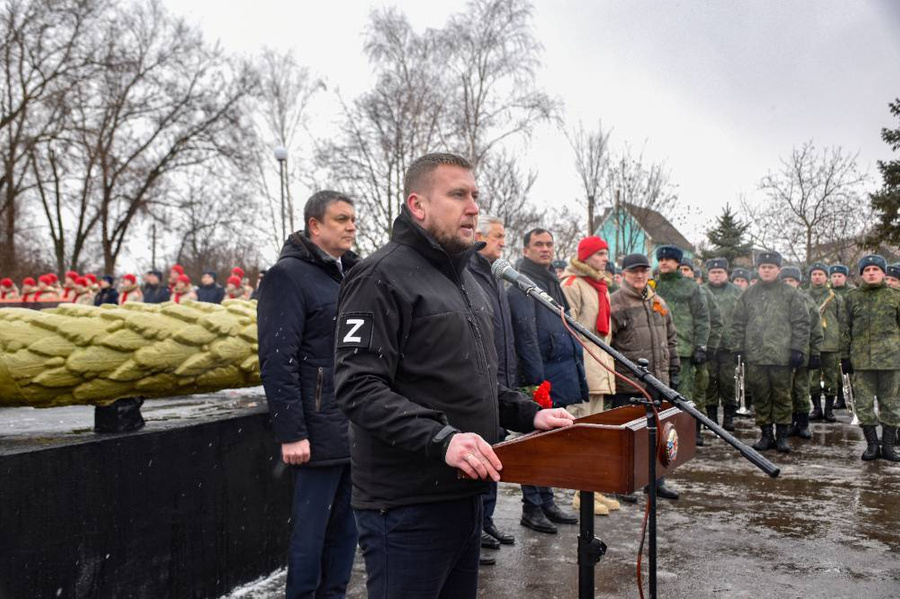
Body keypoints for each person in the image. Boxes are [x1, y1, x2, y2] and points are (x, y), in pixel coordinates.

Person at [334, 153, 575, 598]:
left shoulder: (466, 280)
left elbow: (475, 381)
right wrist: (442, 438)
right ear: (418, 206)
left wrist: (530, 414)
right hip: (407, 506)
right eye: (458, 195)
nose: (473, 208)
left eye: (475, 196)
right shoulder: (378, 277)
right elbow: (358, 388)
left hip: (466, 494)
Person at [258, 190, 361, 598]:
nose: (351, 225)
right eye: (341, 219)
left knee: (345, 534)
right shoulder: (286, 276)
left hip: (352, 426)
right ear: (314, 225)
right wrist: (291, 432)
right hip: (314, 433)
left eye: (353, 218)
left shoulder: (351, 274)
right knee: (310, 537)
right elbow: (276, 359)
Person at [508, 227, 586, 533]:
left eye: (549, 244)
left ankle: (548, 500)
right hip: (540, 378)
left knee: (552, 443)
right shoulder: (520, 283)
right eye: (538, 244)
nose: (545, 249)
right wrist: (536, 383)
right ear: (526, 249)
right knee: (535, 444)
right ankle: (532, 506)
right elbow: (526, 336)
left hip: (559, 371)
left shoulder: (551, 280)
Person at [607, 253, 680, 500]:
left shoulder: (658, 302)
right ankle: (624, 485)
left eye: (643, 271)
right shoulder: (615, 302)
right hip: (629, 385)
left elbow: (671, 338)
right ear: (624, 274)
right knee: (628, 440)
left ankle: (656, 482)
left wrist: (674, 371)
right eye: (634, 271)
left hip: (659, 382)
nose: (639, 275)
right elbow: (606, 343)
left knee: (660, 435)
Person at [467, 214, 518, 564]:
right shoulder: (468, 273)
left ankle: (488, 520)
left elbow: (505, 333)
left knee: (494, 453)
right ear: (480, 238)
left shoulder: (495, 276)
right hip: (480, 382)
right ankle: (476, 527)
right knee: (480, 458)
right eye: (497, 237)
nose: (502, 242)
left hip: (501, 378)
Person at [560, 236, 621, 515]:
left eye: (605, 253)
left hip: (600, 368)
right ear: (585, 257)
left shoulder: (601, 287)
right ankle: (579, 492)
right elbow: (567, 330)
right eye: (598, 254)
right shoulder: (572, 286)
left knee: (595, 433)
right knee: (583, 432)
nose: (604, 258)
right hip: (583, 370)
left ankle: (592, 488)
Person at [731, 252, 810, 453]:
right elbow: (738, 322)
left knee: (782, 396)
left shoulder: (791, 294)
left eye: (771, 267)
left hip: (782, 356)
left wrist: (797, 349)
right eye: (763, 267)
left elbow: (801, 323)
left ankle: (782, 436)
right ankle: (766, 435)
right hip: (755, 355)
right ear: (758, 269)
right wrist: (738, 347)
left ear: (779, 270)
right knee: (760, 396)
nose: (766, 270)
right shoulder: (748, 294)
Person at [840, 255, 900, 462]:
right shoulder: (852, 298)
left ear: (884, 273)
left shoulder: (896, 297)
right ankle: (873, 445)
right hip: (862, 362)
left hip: (891, 361)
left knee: (891, 405)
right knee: (864, 405)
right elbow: (845, 329)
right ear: (861, 274)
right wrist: (844, 357)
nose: (871, 273)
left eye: (876, 269)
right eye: (867, 270)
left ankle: (889, 446)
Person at [654, 245, 710, 445]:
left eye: (669, 259)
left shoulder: (691, 287)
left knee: (685, 393)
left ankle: (691, 432)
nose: (664, 262)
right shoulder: (653, 286)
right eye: (661, 259)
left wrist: (701, 346)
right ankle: (664, 433)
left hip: (684, 349)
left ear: (678, 263)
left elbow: (702, 318)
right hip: (658, 349)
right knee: (659, 395)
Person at [779, 266, 823, 440]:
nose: (789, 284)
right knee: (785, 391)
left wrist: (815, 353)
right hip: (781, 355)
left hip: (802, 355)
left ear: (798, 282)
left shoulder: (807, 301)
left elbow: (816, 329)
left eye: (792, 280)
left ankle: (803, 424)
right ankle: (789, 422)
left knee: (801, 389)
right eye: (785, 281)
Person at [679, 257, 722, 432]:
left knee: (698, 392)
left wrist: (707, 348)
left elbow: (715, 322)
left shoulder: (703, 294)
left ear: (693, 273)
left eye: (686, 270)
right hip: (675, 353)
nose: (683, 273)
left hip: (697, 353)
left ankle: (695, 431)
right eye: (680, 269)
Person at [703, 258, 743, 431]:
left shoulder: (737, 292)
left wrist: (741, 343)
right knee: (709, 381)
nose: (717, 275)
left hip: (729, 346)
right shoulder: (701, 291)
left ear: (727, 274)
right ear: (708, 274)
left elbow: (744, 319)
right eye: (713, 272)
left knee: (728, 382)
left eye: (720, 272)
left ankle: (729, 418)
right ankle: (711, 419)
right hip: (708, 345)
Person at [807, 263, 843, 422]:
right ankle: (816, 409)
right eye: (814, 274)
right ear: (810, 277)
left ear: (826, 277)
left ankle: (829, 410)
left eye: (820, 274)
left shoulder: (835, 297)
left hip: (831, 344)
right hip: (811, 345)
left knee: (831, 377)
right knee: (812, 379)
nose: (817, 277)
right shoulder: (804, 296)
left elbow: (842, 320)